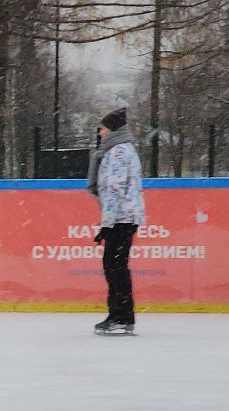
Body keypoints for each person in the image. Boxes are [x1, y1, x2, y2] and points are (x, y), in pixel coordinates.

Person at [87, 107, 145, 336]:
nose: (100, 132)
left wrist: (107, 223)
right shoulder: (119, 150)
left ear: (111, 129)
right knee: (114, 266)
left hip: (122, 218)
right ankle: (119, 315)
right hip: (123, 217)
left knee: (115, 267)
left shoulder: (119, 151)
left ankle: (121, 316)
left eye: (102, 128)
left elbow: (115, 188)